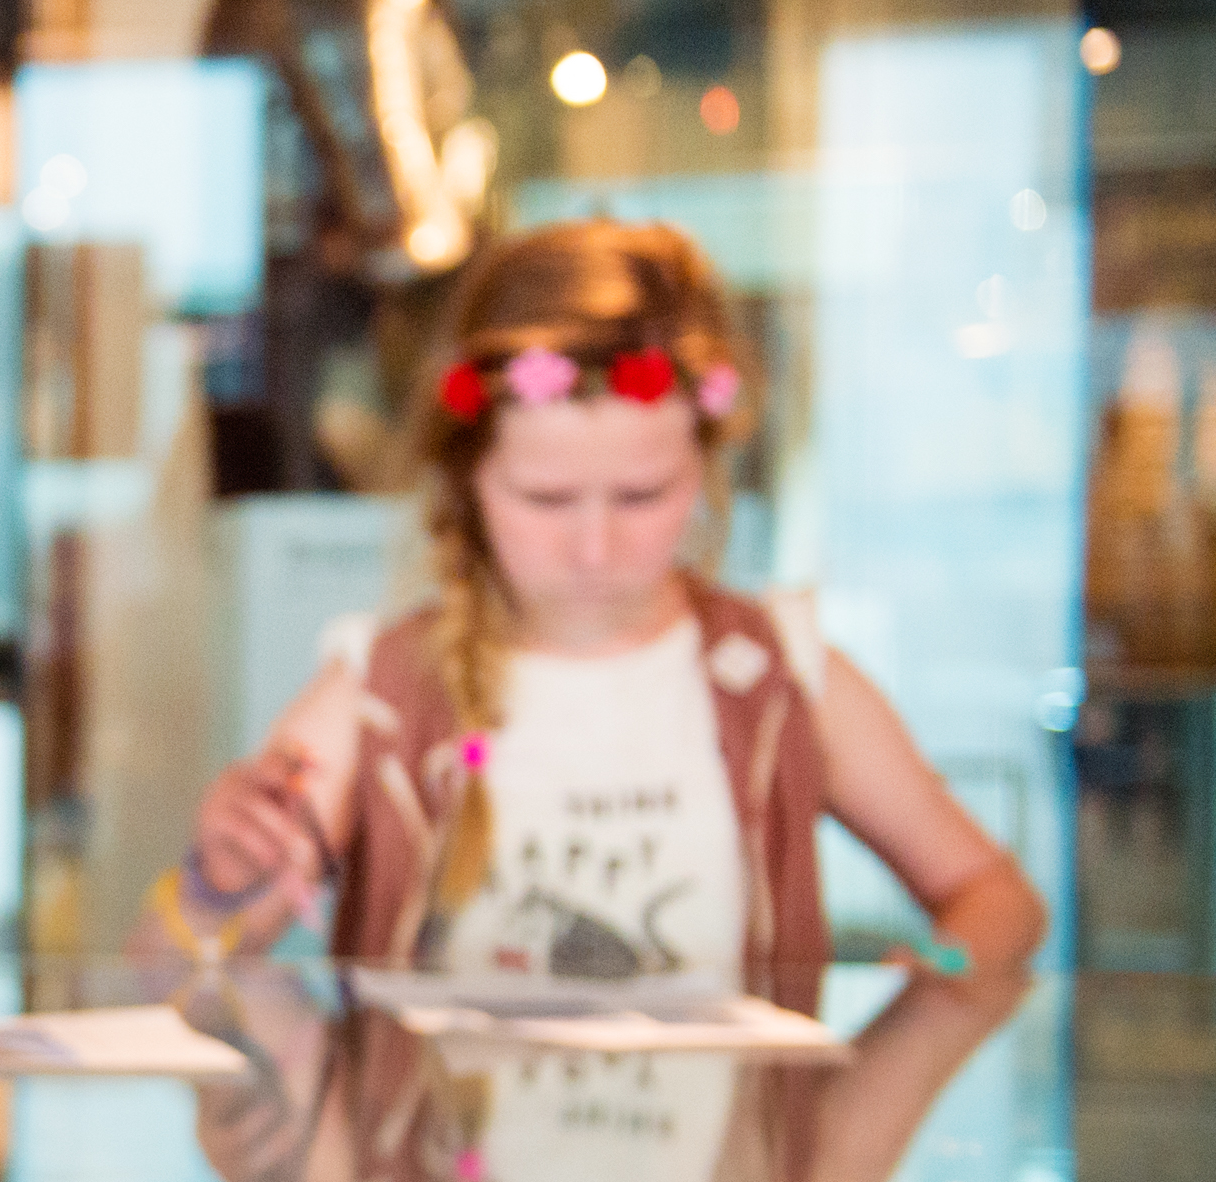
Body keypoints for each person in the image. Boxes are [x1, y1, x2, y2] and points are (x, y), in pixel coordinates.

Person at [173, 218, 1043, 985]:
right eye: (545, 500)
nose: (593, 549)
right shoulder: (386, 689)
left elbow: (992, 897)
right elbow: (165, 963)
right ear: (464, 480)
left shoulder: (779, 672)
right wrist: (217, 881)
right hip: (454, 1178)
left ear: (703, 469)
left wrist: (942, 979)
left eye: (640, 496)